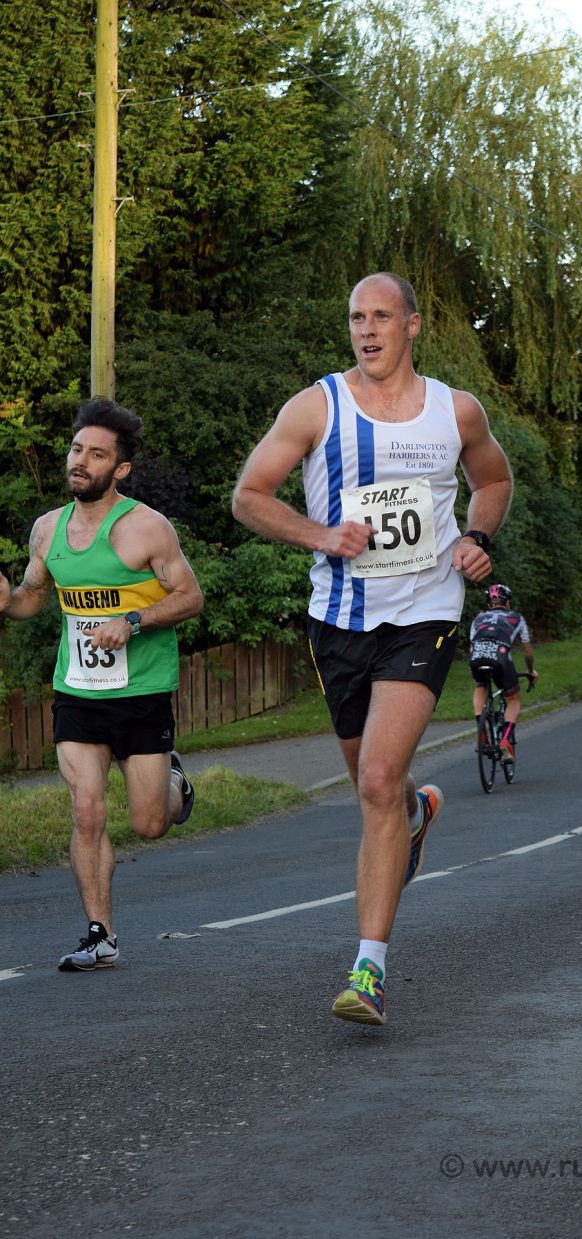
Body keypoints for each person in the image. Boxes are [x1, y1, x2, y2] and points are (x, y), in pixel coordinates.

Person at [232, 271, 512, 1026]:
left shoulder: (456, 410)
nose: (367, 329)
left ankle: (369, 969)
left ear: (412, 325)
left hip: (426, 610)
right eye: (357, 316)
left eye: (382, 316)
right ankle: (418, 812)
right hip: (341, 619)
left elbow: (492, 478)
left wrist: (478, 538)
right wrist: (321, 534)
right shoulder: (317, 405)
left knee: (379, 777)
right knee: (374, 788)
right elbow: (249, 494)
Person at [0, 397, 203, 970]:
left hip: (141, 692)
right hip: (78, 690)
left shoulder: (146, 528)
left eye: (96, 455)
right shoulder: (48, 530)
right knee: (87, 812)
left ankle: (174, 783)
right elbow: (32, 598)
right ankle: (100, 934)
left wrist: (135, 620)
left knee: (149, 823)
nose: (80, 462)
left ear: (120, 469)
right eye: (76, 450)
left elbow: (190, 597)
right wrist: (7, 602)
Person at [468, 582, 538, 764]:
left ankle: (482, 732)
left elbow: (471, 646)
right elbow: (528, 652)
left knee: (480, 685)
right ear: (507, 603)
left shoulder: (478, 618)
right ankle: (505, 740)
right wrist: (530, 671)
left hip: (476, 655)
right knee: (512, 699)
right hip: (500, 657)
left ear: (488, 603)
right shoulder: (516, 617)